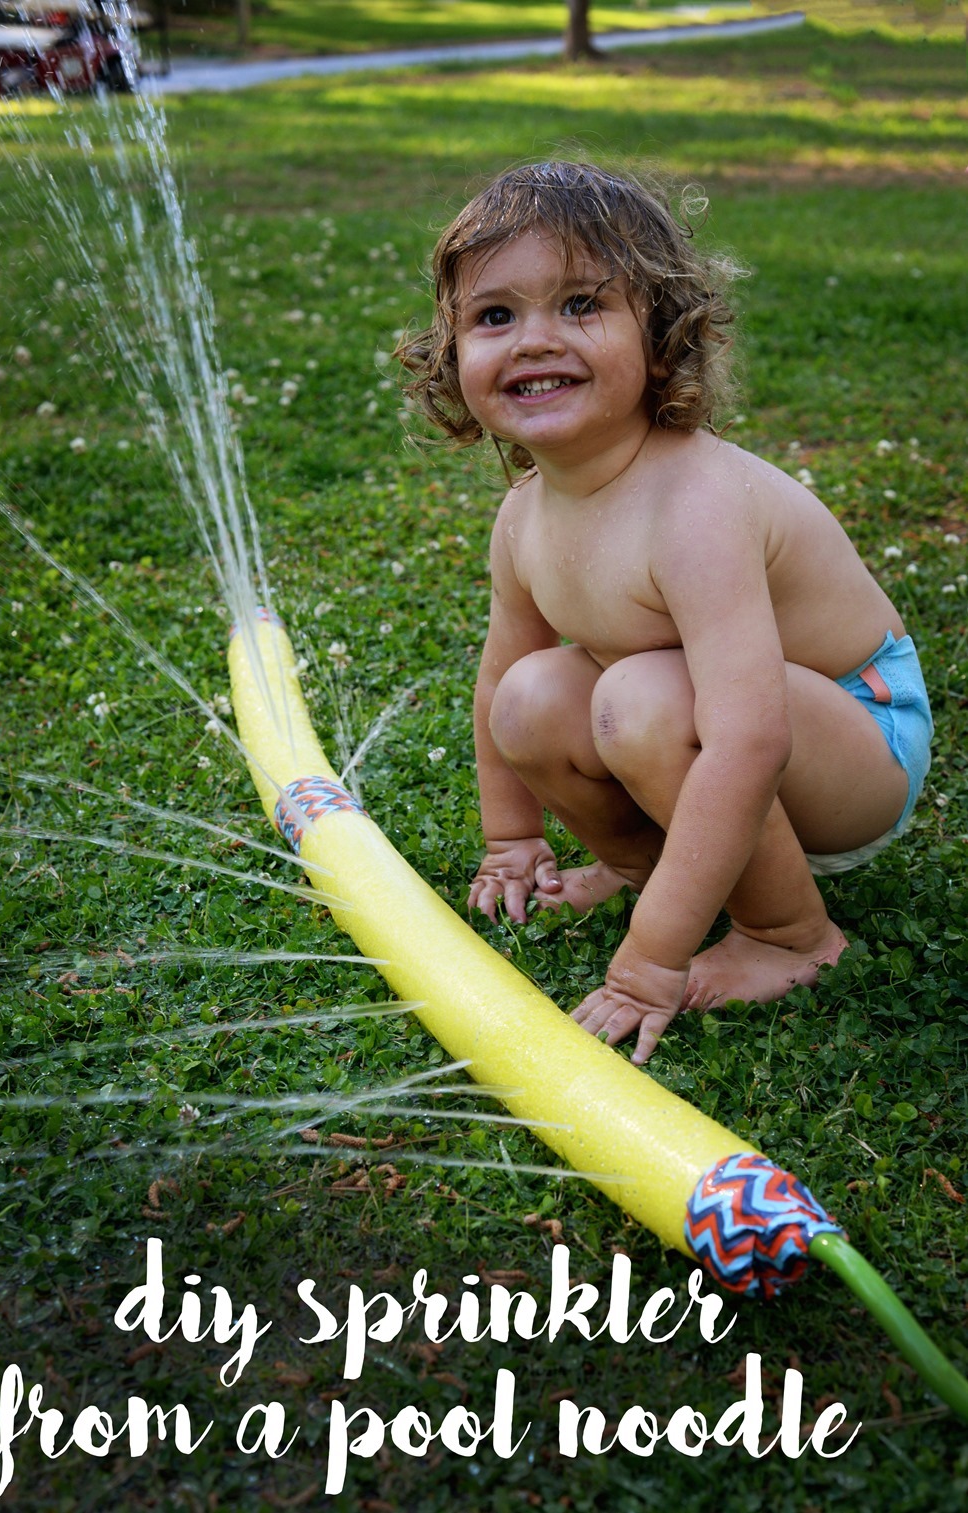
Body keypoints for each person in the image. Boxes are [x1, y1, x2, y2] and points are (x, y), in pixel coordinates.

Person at [396, 161, 932, 1066]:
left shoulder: (696, 505)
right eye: (495, 316)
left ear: (661, 336)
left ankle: (789, 932)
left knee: (639, 697)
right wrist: (510, 838)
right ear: (454, 356)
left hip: (855, 740)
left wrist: (649, 964)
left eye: (579, 305)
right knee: (529, 696)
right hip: (706, 724)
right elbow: (500, 682)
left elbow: (750, 737)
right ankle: (656, 870)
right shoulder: (524, 515)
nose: (533, 339)